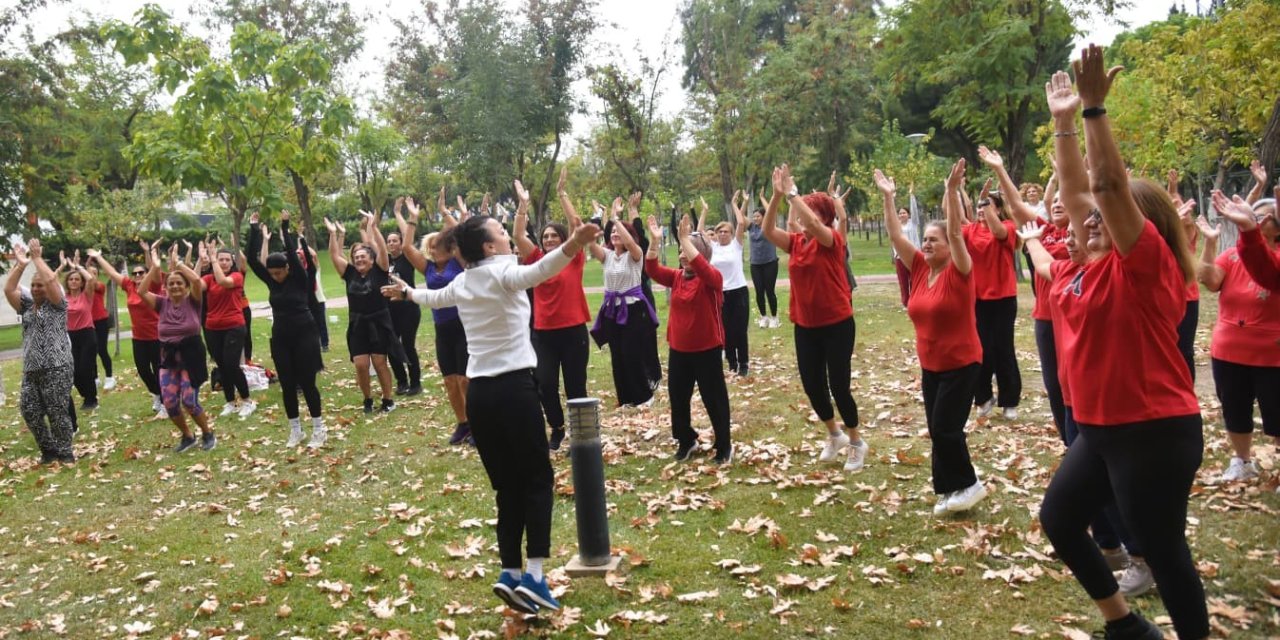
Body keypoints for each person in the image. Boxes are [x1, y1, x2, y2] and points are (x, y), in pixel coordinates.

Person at [1037, 49, 1207, 640]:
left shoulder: (1145, 267)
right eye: (1086, 218)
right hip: (1102, 430)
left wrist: (1093, 109)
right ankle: (1125, 625)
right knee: (1060, 518)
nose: (1087, 219)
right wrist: (1063, 122)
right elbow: (1078, 192)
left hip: (1153, 432)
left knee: (1163, 550)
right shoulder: (1084, 268)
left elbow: (1106, 185)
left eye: (1104, 216)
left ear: (1140, 223)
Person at [382, 180, 601, 616]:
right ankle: (535, 577)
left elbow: (431, 297)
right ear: (488, 246)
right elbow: (541, 270)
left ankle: (509, 572)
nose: (507, 236)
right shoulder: (503, 273)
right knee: (537, 481)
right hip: (515, 392)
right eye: (501, 232)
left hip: (480, 398)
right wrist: (574, 243)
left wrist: (406, 292)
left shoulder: (464, 282)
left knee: (507, 487)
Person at [877, 163, 987, 514]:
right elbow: (895, 235)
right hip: (932, 365)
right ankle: (949, 489)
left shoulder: (960, 269)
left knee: (945, 429)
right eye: (924, 238)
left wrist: (952, 192)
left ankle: (970, 484)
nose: (925, 243)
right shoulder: (921, 267)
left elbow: (955, 232)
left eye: (932, 239)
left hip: (962, 363)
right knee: (937, 428)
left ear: (948, 246)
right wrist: (889, 197)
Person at [761, 164, 868, 472]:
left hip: (837, 324)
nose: (802, 217)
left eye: (810, 212)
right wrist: (777, 196)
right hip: (805, 325)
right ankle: (834, 434)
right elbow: (768, 231)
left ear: (825, 218)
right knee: (812, 385)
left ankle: (856, 442)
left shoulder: (832, 240)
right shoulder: (796, 243)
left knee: (839, 386)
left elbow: (811, 222)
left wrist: (793, 194)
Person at [977, 145, 1070, 432]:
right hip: (1046, 317)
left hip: (1074, 317)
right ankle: (1068, 438)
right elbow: (1016, 206)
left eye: (1064, 201)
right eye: (1055, 201)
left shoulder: (1082, 233)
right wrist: (999, 169)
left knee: (1074, 380)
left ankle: (1082, 437)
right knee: (1053, 384)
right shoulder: (1044, 231)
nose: (1057, 204)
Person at [1198, 194, 1280, 483]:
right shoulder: (1233, 255)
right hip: (1229, 350)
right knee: (1234, 408)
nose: (1259, 218)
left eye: (1264, 215)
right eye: (1254, 214)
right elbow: (1209, 280)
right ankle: (1242, 461)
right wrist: (1209, 243)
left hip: (1272, 354)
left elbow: (1267, 269)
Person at [514, 167, 591, 451]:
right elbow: (518, 235)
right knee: (545, 384)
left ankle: (581, 435)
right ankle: (557, 427)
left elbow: (576, 225)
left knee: (575, 386)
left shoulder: (573, 257)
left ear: (562, 239)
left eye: (554, 236)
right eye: (545, 236)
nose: (548, 240)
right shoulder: (535, 259)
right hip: (544, 333)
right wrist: (523, 205)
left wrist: (562, 193)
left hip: (573, 332)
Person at [645, 213, 733, 463]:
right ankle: (686, 440)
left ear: (701, 253)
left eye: (687, 251)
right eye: (681, 251)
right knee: (678, 399)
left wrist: (684, 238)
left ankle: (724, 446)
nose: (682, 255)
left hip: (707, 349)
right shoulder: (676, 277)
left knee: (714, 399)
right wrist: (654, 242)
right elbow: (651, 269)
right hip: (679, 350)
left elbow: (702, 267)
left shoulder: (712, 278)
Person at [247, 211, 327, 448]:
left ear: (288, 268)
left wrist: (285, 227)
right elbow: (251, 259)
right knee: (288, 385)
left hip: (305, 334)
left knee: (308, 383)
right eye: (272, 273)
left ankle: (319, 429)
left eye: (279, 272)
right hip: (281, 337)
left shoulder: (299, 277)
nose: (275, 277)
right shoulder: (272, 281)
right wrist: (253, 229)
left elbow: (292, 254)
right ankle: (296, 430)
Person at [396, 196, 472, 445]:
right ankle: (463, 423)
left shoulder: (458, 263)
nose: (433, 248)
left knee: (465, 381)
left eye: (438, 244)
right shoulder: (428, 268)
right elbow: (407, 247)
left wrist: (444, 212)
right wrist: (412, 218)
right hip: (442, 330)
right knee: (450, 381)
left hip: (462, 326)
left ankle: (477, 424)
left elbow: (460, 233)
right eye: (431, 245)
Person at [140, 243, 216, 452]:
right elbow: (141, 291)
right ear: (165, 287)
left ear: (185, 286)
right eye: (171, 283)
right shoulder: (161, 303)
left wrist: (179, 264)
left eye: (179, 283)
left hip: (191, 356)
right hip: (168, 358)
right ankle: (188, 436)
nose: (174, 286)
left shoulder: (194, 300)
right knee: (170, 402)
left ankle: (207, 433)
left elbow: (197, 281)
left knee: (189, 401)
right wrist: (155, 268)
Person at [325, 212, 403, 414]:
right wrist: (333, 234)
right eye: (356, 257)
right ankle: (367, 399)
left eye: (363, 257)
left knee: (379, 362)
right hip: (358, 324)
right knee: (360, 364)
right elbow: (334, 256)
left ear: (371, 259)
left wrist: (373, 227)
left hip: (379, 322)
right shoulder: (349, 273)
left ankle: (388, 399)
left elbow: (382, 250)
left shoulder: (380, 270)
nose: (359, 259)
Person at [7, 239, 76, 464]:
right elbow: (9, 289)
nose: (37, 288)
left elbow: (52, 281)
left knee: (57, 411)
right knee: (29, 410)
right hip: (31, 369)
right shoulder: (26, 306)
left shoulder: (57, 305)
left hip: (57, 366)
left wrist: (37, 259)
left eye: (40, 285)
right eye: (34, 285)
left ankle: (65, 452)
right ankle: (48, 449)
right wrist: (21, 265)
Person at [963, 172, 1023, 420]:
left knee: (1003, 349)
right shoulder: (970, 230)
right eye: (979, 206)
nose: (981, 209)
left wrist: (985, 200)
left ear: (998, 209)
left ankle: (1010, 401)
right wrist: (954, 191)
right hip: (978, 300)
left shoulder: (1007, 227)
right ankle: (983, 397)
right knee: (981, 350)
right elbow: (953, 223)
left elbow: (997, 231)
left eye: (987, 205)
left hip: (1003, 298)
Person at [589, 194, 657, 408]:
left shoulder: (635, 255)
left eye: (619, 232)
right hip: (612, 310)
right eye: (613, 232)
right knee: (617, 354)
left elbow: (629, 241)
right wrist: (596, 219)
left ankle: (644, 396)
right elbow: (590, 243)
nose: (615, 234)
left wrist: (615, 218)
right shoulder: (607, 255)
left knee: (631, 353)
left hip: (633, 309)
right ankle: (625, 398)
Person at [87, 245, 166, 419]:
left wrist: (152, 259)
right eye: (135, 273)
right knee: (143, 370)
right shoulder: (129, 286)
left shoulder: (153, 285)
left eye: (141, 273)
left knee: (159, 370)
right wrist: (98, 257)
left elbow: (156, 271)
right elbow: (111, 273)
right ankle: (157, 394)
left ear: (146, 274)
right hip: (138, 337)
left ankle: (165, 404)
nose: (137, 276)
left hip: (156, 336)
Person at [202, 244, 256, 419]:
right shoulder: (208, 278)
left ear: (232, 262)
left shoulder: (236, 276)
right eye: (221, 259)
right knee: (222, 366)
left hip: (234, 326)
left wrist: (213, 260)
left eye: (227, 260)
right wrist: (197, 261)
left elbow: (223, 282)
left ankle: (247, 401)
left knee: (232, 365)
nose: (224, 262)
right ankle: (230, 402)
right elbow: (195, 284)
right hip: (212, 328)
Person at [702, 194, 750, 377]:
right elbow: (699, 231)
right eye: (719, 232)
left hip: (739, 291)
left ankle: (744, 364)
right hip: (721, 293)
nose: (722, 234)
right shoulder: (712, 247)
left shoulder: (736, 245)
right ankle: (732, 362)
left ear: (731, 234)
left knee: (740, 330)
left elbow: (741, 223)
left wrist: (735, 204)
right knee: (726, 331)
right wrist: (704, 211)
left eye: (726, 232)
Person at [387, 198, 423, 396]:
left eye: (395, 240)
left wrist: (398, 213)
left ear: (401, 243)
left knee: (408, 346)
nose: (391, 243)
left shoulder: (407, 259)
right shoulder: (384, 261)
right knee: (392, 347)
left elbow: (407, 233)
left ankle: (415, 383)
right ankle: (402, 382)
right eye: (389, 241)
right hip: (391, 310)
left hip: (409, 309)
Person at [58, 250, 99, 411]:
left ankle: (91, 399)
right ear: (67, 282)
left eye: (77, 279)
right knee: (73, 372)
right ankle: (86, 395)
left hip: (87, 334)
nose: (74, 281)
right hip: (70, 337)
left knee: (85, 369)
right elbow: (51, 282)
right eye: (71, 279)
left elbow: (91, 279)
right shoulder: (63, 298)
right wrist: (62, 266)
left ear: (81, 283)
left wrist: (77, 266)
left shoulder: (86, 295)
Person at [747, 204, 781, 327]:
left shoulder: (769, 226)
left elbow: (772, 212)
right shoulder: (751, 227)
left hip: (770, 263)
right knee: (759, 291)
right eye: (754, 216)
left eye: (758, 216)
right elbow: (741, 218)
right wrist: (743, 202)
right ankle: (764, 317)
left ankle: (774, 318)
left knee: (770, 291)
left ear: (764, 216)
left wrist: (762, 198)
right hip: (755, 264)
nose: (755, 218)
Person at [85, 264, 115, 391]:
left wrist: (88, 274)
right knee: (91, 351)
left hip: (101, 321)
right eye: (89, 272)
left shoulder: (100, 286)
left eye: (94, 273)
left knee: (102, 350)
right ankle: (95, 378)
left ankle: (110, 377)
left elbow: (93, 283)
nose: (92, 275)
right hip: (88, 323)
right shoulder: (83, 288)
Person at [891, 202, 920, 308]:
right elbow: (894, 239)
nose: (902, 215)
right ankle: (906, 303)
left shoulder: (913, 224)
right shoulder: (896, 226)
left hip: (913, 255)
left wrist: (912, 197)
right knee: (903, 281)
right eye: (900, 213)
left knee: (914, 280)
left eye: (904, 213)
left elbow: (915, 211)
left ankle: (915, 300)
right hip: (900, 257)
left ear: (908, 214)